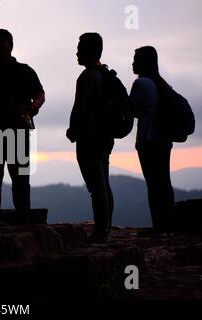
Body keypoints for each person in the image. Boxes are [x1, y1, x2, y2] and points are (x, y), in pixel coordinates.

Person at [0, 29, 45, 222]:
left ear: (11, 45)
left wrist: (32, 108)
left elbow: (40, 95)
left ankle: (21, 215)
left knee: (18, 179)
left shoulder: (23, 70)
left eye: (0, 43)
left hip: (15, 130)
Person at [66, 33, 114, 243]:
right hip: (104, 138)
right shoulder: (104, 75)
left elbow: (82, 109)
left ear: (90, 50)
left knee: (97, 188)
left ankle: (101, 232)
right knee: (104, 183)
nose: (76, 52)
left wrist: (73, 130)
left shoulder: (88, 77)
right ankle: (106, 228)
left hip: (89, 139)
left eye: (80, 47)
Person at [130, 46, 175, 234]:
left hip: (149, 140)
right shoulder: (159, 83)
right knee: (164, 182)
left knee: (153, 184)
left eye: (136, 59)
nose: (132, 63)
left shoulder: (141, 84)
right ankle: (168, 226)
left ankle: (159, 226)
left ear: (144, 62)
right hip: (163, 139)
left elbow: (129, 109)